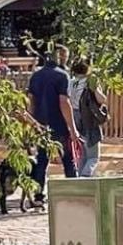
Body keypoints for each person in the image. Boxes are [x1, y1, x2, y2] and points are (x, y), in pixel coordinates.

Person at [27, 46, 80, 201]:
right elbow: (64, 102)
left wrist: (32, 123)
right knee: (68, 159)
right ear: (61, 57)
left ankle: (38, 195)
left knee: (42, 160)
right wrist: (73, 129)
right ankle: (75, 192)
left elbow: (31, 102)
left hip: (41, 125)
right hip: (59, 124)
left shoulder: (35, 76)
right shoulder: (62, 76)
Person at [70, 58, 107, 178]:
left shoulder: (71, 82)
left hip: (75, 117)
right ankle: (85, 176)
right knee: (93, 157)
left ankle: (80, 179)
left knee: (83, 155)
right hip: (88, 119)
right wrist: (96, 88)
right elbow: (101, 99)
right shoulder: (90, 81)